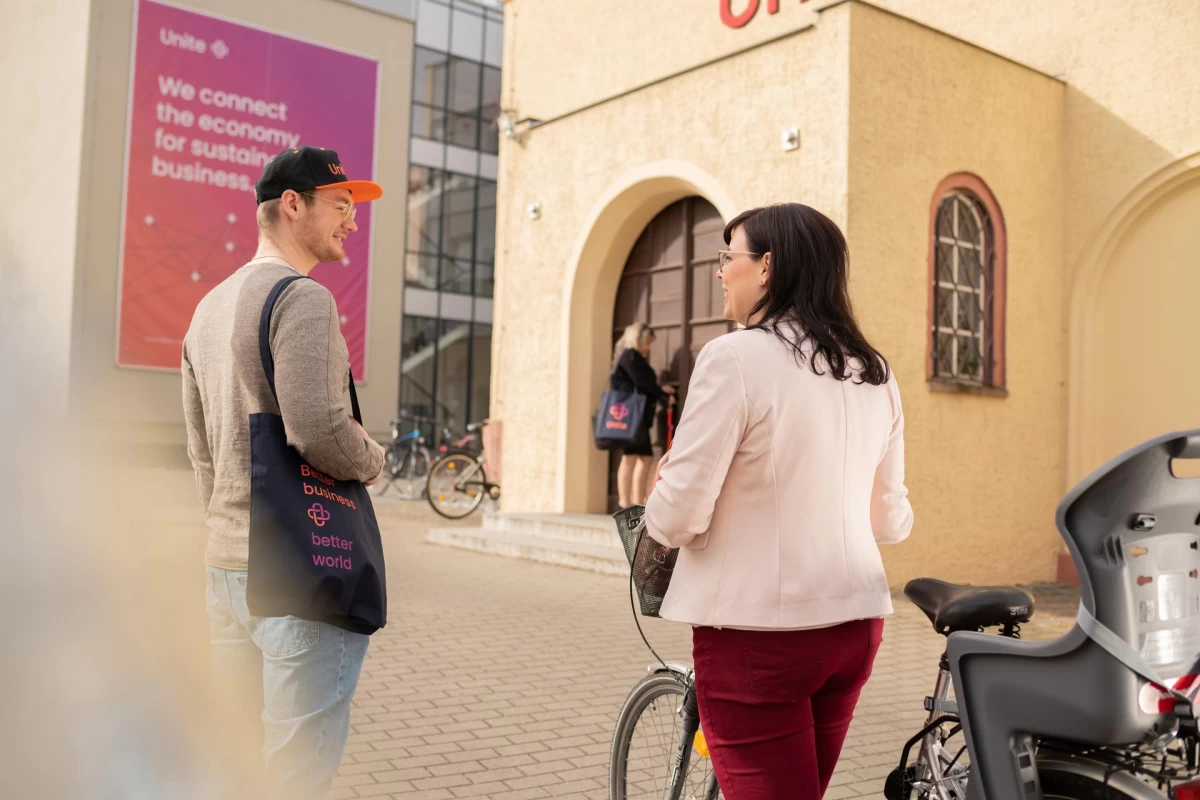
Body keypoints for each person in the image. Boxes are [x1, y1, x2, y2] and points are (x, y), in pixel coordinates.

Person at [644, 203, 914, 798]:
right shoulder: (874, 371)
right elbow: (891, 520)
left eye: (728, 257)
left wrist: (662, 489)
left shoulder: (735, 357)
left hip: (759, 633)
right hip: (855, 623)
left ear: (766, 267)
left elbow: (676, 516)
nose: (720, 271)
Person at [181, 146, 387, 799]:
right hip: (298, 570)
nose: (352, 223)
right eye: (340, 207)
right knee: (295, 773)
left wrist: (228, 527)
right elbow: (318, 430)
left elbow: (201, 452)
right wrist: (374, 459)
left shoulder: (207, 308)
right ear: (292, 205)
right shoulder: (302, 298)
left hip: (226, 565)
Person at [610, 322, 674, 507]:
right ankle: (628, 502)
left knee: (638, 457)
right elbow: (643, 383)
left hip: (634, 416)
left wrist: (661, 391)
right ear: (639, 339)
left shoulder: (631, 357)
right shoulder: (630, 356)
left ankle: (634, 502)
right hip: (632, 416)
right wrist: (662, 394)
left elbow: (642, 384)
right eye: (648, 342)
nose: (649, 347)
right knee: (634, 457)